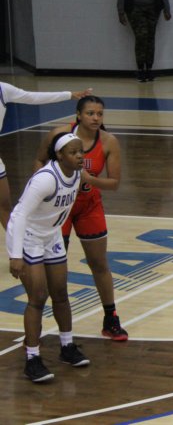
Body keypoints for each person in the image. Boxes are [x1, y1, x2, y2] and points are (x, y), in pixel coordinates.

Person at [35, 95, 129, 340]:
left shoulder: (108, 141)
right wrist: (41, 189)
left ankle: (111, 318)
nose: (95, 118)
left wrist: (90, 180)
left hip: (89, 206)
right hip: (60, 208)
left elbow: (114, 183)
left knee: (99, 263)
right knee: (54, 269)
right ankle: (39, 322)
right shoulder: (58, 135)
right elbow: (39, 159)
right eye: (90, 113)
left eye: (99, 114)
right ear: (78, 115)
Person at [7, 132, 91, 382]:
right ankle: (32, 359)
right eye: (73, 152)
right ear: (59, 155)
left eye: (81, 151)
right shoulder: (45, 179)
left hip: (51, 235)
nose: (80, 156)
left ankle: (67, 346)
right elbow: (18, 215)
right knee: (38, 297)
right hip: (29, 236)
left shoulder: (76, 174)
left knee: (61, 293)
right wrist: (15, 255)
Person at [1, 83, 92, 230]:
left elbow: (31, 97)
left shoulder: (3, 89)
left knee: (4, 205)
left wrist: (69, 95)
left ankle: (16, 242)